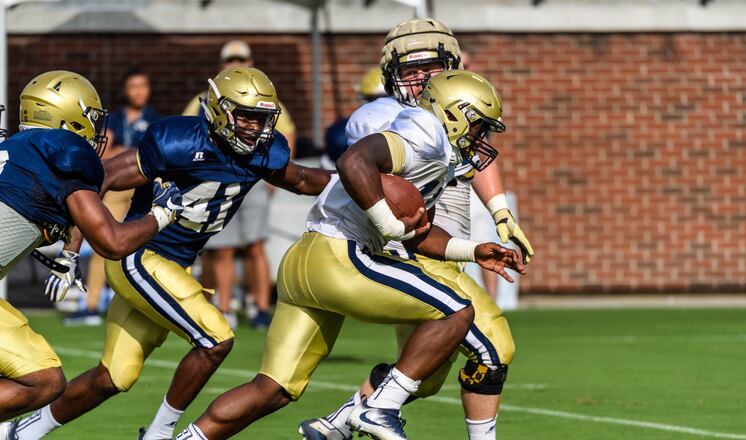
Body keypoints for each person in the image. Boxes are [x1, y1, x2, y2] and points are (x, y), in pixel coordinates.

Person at [175, 70, 525, 440]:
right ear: (455, 114)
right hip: (339, 256)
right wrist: (387, 224)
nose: (480, 139)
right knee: (456, 309)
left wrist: (474, 251)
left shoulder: (438, 157)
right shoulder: (425, 133)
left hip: (304, 261)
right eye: (478, 127)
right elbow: (354, 160)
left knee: (272, 389)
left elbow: (419, 236)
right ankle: (380, 407)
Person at [10, 67, 331, 440]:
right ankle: (160, 434)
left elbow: (304, 180)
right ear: (219, 112)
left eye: (262, 119)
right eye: (246, 117)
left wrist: (353, 182)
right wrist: (72, 247)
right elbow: (101, 178)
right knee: (216, 339)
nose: (255, 128)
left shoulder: (262, 152)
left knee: (114, 376)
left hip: (171, 266)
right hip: (138, 256)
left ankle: (25, 431)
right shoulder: (176, 142)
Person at [299, 18, 534, 440]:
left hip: (444, 249)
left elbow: (476, 160)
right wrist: (391, 221)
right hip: (415, 253)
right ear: (393, 76)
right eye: (411, 71)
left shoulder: (449, 116)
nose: (425, 78)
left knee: (424, 373)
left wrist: (500, 212)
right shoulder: (388, 117)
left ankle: (338, 423)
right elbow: (370, 168)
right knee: (495, 347)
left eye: (434, 67)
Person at [0, 70, 182, 431]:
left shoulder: (17, 151)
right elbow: (112, 243)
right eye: (91, 118)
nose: (95, 130)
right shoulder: (63, 152)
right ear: (67, 116)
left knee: (45, 379)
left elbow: (51, 210)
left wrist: (68, 253)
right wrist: (161, 216)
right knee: (43, 382)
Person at [184, 40, 297, 329]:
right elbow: (187, 133)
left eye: (241, 58)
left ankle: (260, 307)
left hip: (253, 177)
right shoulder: (206, 97)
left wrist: (276, 175)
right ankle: (224, 307)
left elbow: (287, 132)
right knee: (222, 248)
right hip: (216, 178)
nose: (236, 63)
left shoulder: (264, 97)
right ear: (221, 64)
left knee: (255, 245)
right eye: (230, 59)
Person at [65, 66, 162, 326]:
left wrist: (122, 151)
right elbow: (104, 153)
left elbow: (153, 155)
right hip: (116, 188)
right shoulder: (117, 118)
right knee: (102, 243)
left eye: (143, 86)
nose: (138, 92)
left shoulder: (155, 120)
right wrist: (126, 152)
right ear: (125, 90)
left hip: (144, 190)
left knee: (144, 247)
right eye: (133, 86)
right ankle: (92, 305)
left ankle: (145, 305)